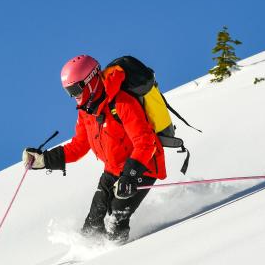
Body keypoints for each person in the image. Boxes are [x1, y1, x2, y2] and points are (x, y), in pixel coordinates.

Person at [23, 55, 166, 244]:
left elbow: (145, 142)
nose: (73, 96)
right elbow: (79, 146)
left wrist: (130, 176)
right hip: (113, 170)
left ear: (90, 81)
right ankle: (86, 255)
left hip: (142, 168)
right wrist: (45, 160)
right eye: (68, 92)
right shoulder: (86, 111)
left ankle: (119, 254)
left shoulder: (122, 102)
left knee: (116, 218)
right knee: (93, 222)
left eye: (75, 89)